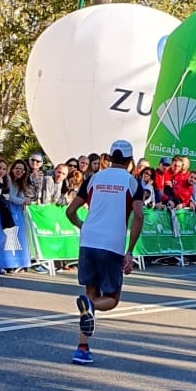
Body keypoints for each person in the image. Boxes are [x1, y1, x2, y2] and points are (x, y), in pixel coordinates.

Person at [64, 139, 145, 366]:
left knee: (90, 292)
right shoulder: (132, 182)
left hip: (89, 241)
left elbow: (70, 211)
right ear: (130, 160)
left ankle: (82, 348)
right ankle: (89, 311)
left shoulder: (93, 179)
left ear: (108, 158)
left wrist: (82, 226)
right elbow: (138, 216)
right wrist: (130, 251)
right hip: (112, 244)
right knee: (111, 298)